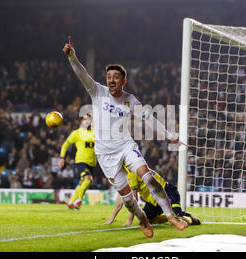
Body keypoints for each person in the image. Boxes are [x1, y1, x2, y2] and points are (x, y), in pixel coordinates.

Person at [63, 36, 187, 238]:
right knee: (128, 199)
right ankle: (142, 219)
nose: (111, 79)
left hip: (125, 146)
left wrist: (170, 136)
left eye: (116, 77)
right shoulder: (97, 91)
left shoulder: (130, 100)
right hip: (105, 154)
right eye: (109, 76)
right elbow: (81, 73)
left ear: (123, 81)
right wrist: (72, 57)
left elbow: (150, 120)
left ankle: (171, 215)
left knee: (147, 175)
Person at [105, 168, 201, 227]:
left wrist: (129, 221)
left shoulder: (131, 173)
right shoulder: (129, 171)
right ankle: (170, 217)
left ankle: (188, 217)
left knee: (177, 220)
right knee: (146, 220)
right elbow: (121, 196)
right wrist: (112, 218)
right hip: (154, 202)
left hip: (167, 193)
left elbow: (133, 199)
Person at [58, 113, 96, 209]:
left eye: (88, 119)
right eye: (84, 119)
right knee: (88, 179)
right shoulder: (77, 133)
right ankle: (79, 200)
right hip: (81, 160)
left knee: (82, 183)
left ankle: (71, 202)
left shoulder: (96, 132)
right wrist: (62, 158)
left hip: (92, 162)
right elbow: (65, 145)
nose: (86, 121)